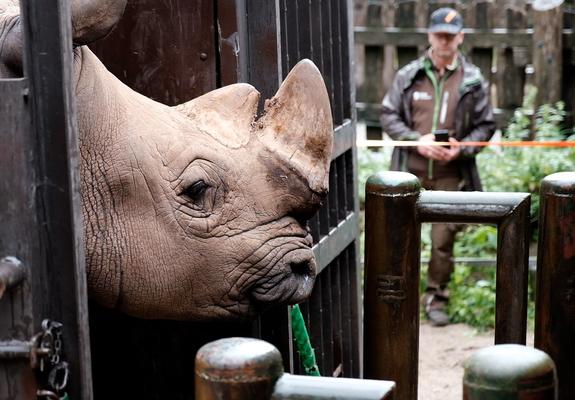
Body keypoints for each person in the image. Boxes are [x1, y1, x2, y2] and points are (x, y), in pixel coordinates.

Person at [380, 7, 495, 326]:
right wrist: (417, 140)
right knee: (400, 239)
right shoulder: (408, 75)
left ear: (460, 37)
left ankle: (437, 299)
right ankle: (399, 299)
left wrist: (461, 149)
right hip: (409, 173)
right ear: (430, 36)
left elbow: (486, 126)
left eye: (450, 35)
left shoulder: (472, 79)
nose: (444, 41)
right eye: (439, 35)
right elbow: (389, 115)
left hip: (449, 175)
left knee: (443, 241)